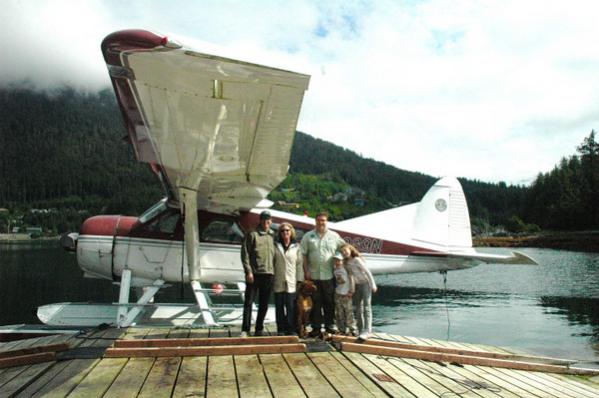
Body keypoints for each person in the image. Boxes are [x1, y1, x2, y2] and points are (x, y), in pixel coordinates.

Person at [300, 211, 345, 336]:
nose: (321, 222)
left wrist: (339, 258)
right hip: (313, 275)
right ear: (315, 221)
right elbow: (303, 254)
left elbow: (345, 247)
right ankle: (316, 328)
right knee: (315, 303)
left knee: (329, 302)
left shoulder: (334, 236)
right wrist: (306, 270)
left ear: (327, 221)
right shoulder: (308, 236)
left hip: (329, 275)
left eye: (323, 220)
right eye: (319, 220)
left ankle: (330, 326)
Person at [240, 210, 275, 337]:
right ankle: (245, 329)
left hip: (269, 274)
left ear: (271, 221)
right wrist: (248, 271)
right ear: (260, 220)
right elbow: (245, 254)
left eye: (269, 219)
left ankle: (259, 328)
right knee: (248, 302)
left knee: (264, 303)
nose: (267, 222)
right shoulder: (252, 234)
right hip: (254, 274)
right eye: (264, 219)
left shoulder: (273, 235)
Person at [341, 244, 377, 340]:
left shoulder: (357, 260)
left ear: (350, 250)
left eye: (345, 250)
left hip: (365, 284)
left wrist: (373, 284)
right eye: (342, 252)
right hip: (357, 286)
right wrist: (351, 289)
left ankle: (368, 330)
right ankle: (361, 330)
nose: (344, 253)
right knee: (358, 308)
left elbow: (367, 272)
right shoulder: (346, 263)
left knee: (366, 306)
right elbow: (351, 277)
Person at [273, 222, 303, 335]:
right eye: (282, 231)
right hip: (278, 280)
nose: (285, 232)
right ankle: (280, 329)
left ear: (291, 232)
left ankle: (291, 329)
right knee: (279, 306)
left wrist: (299, 279)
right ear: (279, 233)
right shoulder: (275, 245)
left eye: (287, 230)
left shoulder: (297, 247)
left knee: (291, 307)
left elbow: (299, 264)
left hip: (292, 280)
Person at [333, 252, 356, 336]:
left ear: (342, 261)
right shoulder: (335, 270)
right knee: (339, 313)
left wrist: (351, 290)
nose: (337, 262)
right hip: (338, 294)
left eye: (339, 260)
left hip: (346, 294)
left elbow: (351, 279)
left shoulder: (346, 269)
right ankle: (341, 329)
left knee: (349, 312)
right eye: (335, 260)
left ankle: (352, 329)